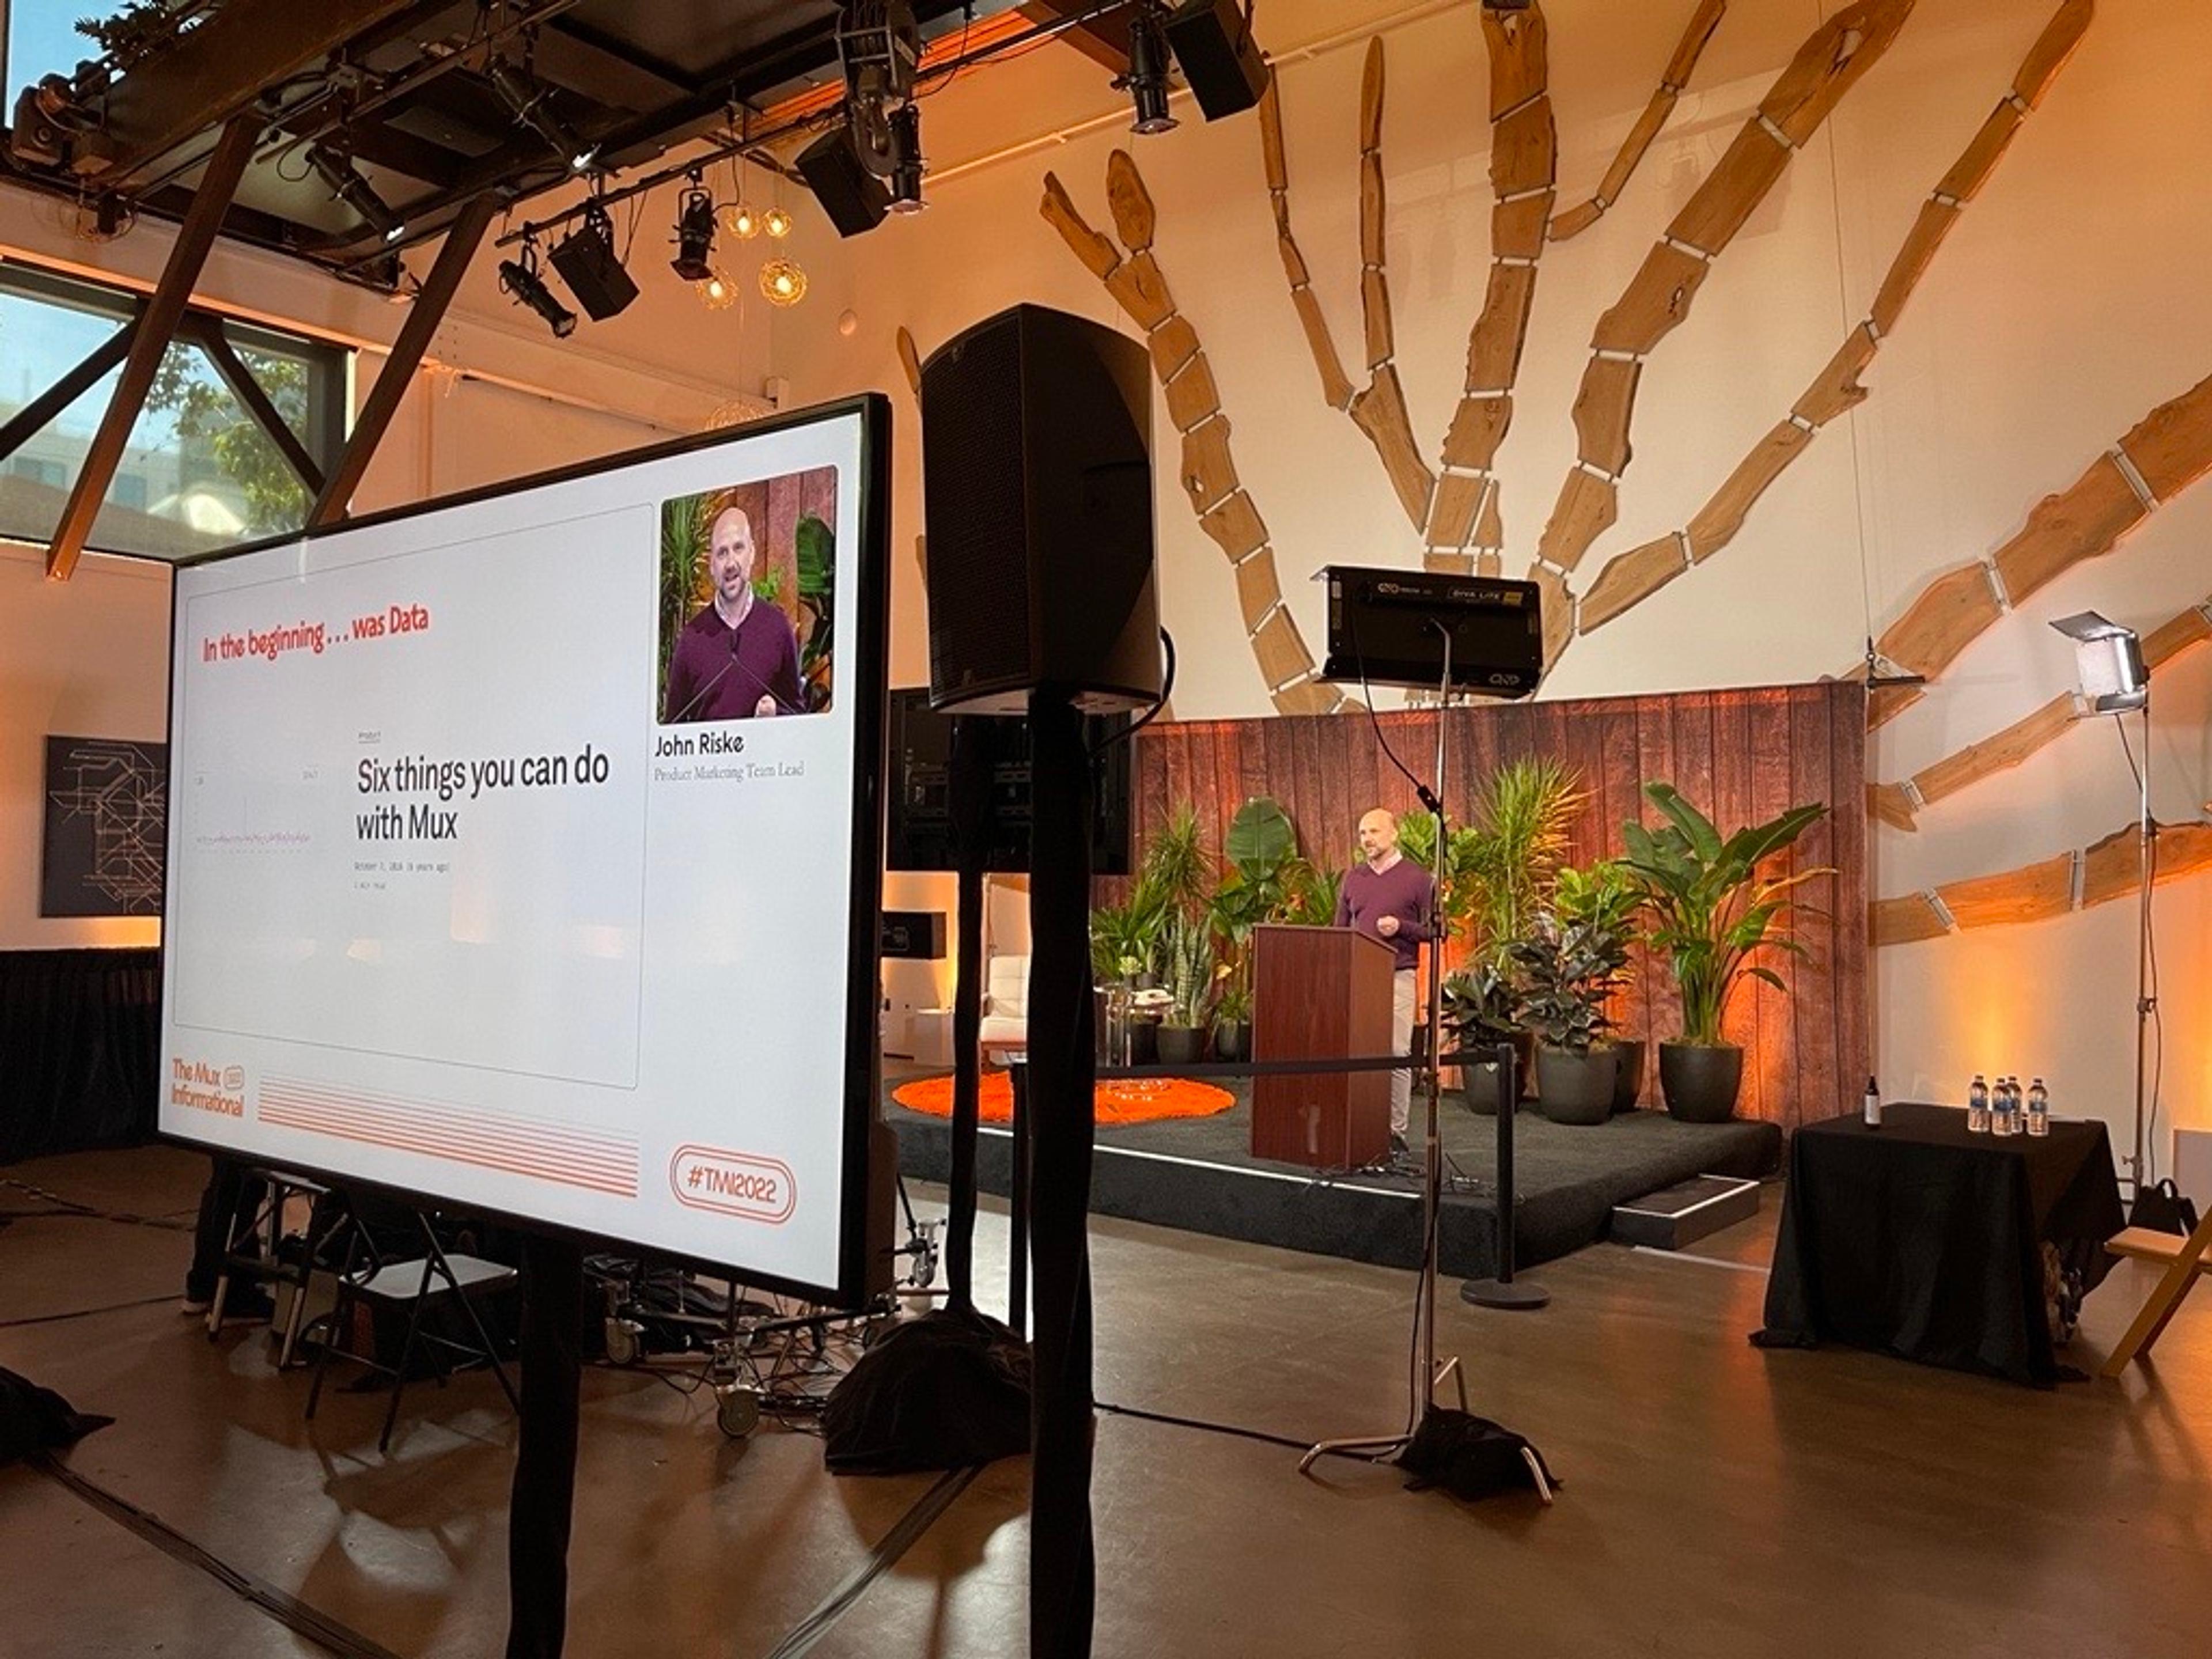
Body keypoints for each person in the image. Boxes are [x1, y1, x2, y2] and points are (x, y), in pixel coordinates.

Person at [1334, 808, 1435, 1160]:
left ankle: (1395, 1133)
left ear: (1395, 833)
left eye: (1374, 832)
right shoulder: (1353, 879)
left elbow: (1439, 930)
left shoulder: (1419, 879)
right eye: (1362, 833)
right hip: (1360, 978)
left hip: (1398, 976)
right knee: (1358, 1053)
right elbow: (1339, 932)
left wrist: (1403, 928)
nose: (1367, 839)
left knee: (1395, 1054)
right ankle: (1360, 1126)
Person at [662, 501, 805, 724]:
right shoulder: (691, 639)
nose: (731, 563)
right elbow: (671, 727)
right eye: (722, 553)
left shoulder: (777, 627)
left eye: (738, 548)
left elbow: (799, 715)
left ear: (752, 553)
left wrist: (775, 712)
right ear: (712, 566)